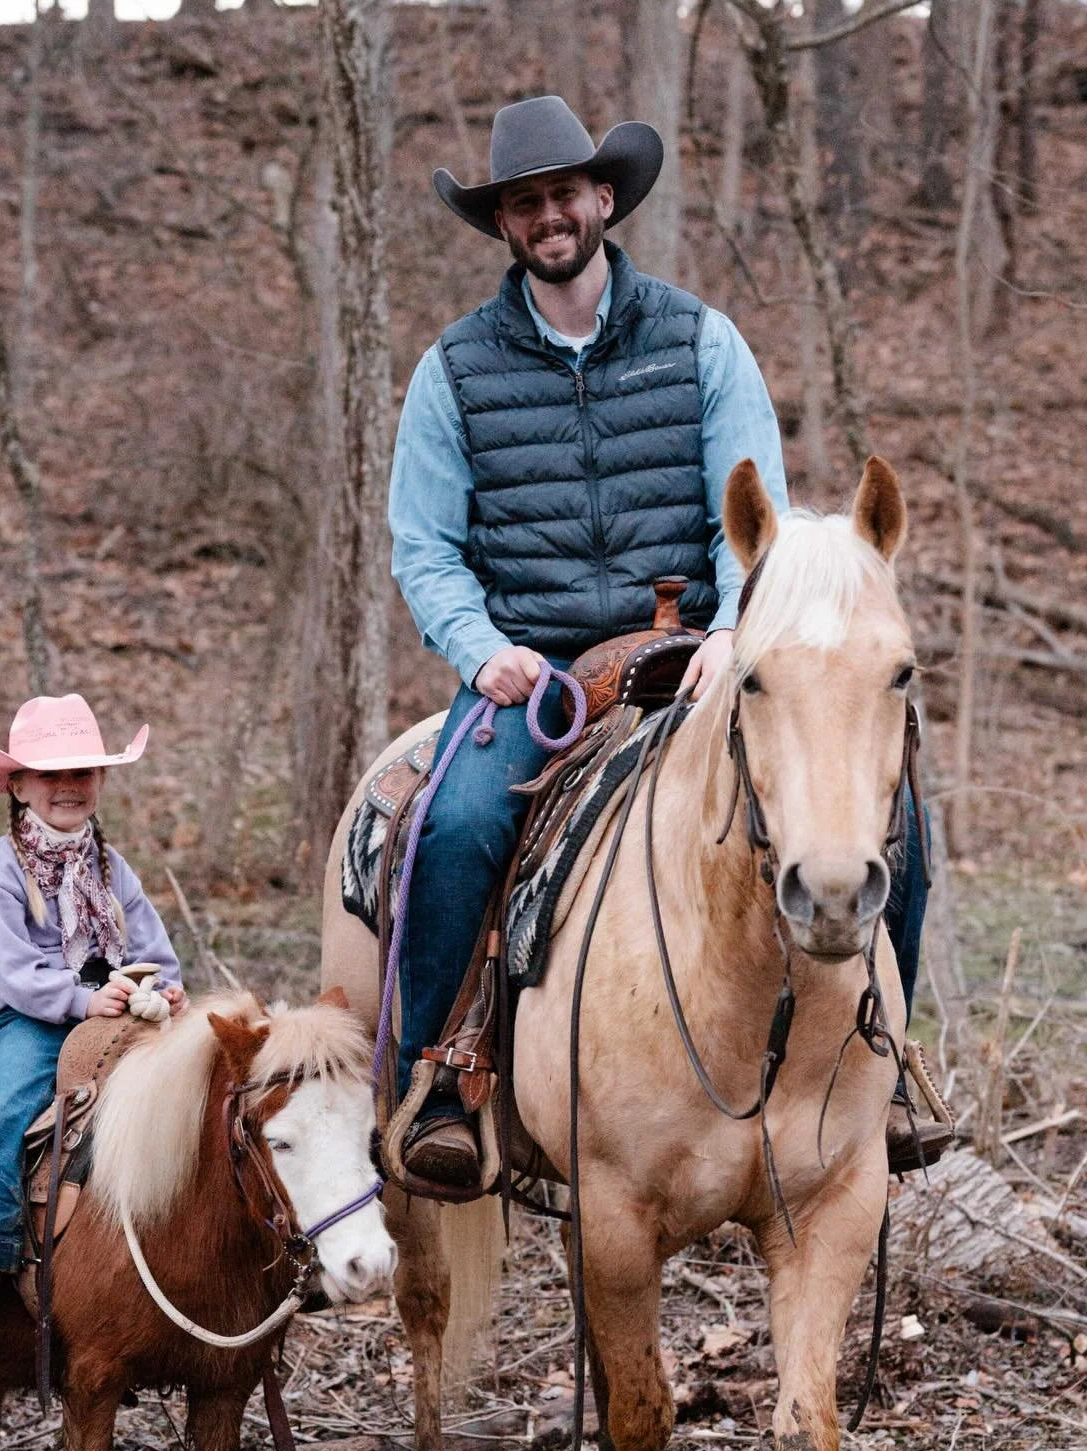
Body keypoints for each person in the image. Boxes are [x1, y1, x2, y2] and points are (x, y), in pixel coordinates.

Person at [388, 96, 941, 1189]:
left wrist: (732, 632)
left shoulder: (700, 341)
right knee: (450, 827)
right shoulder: (452, 373)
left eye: (564, 194)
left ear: (603, 200)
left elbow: (757, 518)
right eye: (523, 202)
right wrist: (479, 647)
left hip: (698, 644)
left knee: (899, 817)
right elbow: (424, 547)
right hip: (534, 667)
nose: (548, 215)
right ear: (504, 224)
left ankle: (888, 1051)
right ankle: (443, 1074)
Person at [0, 693, 187, 1338]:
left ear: (100, 781)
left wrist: (168, 988)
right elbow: (10, 967)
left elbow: (151, 943)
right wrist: (78, 1000)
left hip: (116, 1010)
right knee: (6, 1106)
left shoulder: (109, 865)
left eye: (83, 774)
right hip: (33, 1018)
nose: (68, 787)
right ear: (17, 785)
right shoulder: (2, 870)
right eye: (51, 775)